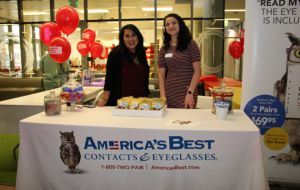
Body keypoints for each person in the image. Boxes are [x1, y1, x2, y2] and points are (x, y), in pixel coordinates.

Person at [97, 24, 150, 106]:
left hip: (140, 102)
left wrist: (146, 97)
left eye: (133, 35)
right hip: (121, 102)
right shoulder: (116, 53)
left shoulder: (141, 52)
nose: (131, 39)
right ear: (122, 38)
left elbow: (144, 78)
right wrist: (104, 99)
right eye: (127, 36)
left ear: (138, 37)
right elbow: (109, 79)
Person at [158, 13, 201, 109]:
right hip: (169, 92)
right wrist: (162, 95)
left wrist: (190, 93)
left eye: (174, 23)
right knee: (169, 121)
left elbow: (197, 71)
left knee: (186, 120)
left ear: (180, 24)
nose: (171, 26)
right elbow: (161, 74)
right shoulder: (164, 48)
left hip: (187, 91)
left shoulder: (191, 44)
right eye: (167, 24)